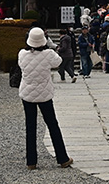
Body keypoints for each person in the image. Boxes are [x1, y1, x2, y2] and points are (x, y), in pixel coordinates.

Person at [17, 27, 72, 170]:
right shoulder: (48, 54)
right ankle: (62, 158)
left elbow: (21, 65)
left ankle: (31, 161)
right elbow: (59, 61)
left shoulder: (22, 54)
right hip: (44, 94)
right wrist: (49, 45)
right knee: (52, 125)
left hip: (27, 93)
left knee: (30, 126)